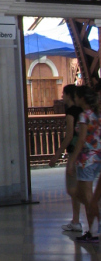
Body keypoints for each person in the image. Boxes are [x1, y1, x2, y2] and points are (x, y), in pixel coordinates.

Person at [66, 85, 101, 244]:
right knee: (80, 194)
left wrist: (72, 161)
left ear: (82, 98)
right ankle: (94, 226)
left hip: (87, 159)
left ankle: (94, 230)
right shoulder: (97, 114)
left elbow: (81, 140)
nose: (76, 98)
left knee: (86, 197)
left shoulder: (84, 116)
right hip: (97, 157)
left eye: (77, 96)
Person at [49, 84, 82, 232]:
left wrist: (57, 155)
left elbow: (69, 136)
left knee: (71, 188)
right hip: (83, 152)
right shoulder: (82, 111)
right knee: (76, 187)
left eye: (64, 93)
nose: (62, 96)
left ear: (69, 95)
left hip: (75, 153)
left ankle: (91, 206)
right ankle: (76, 220)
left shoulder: (71, 113)